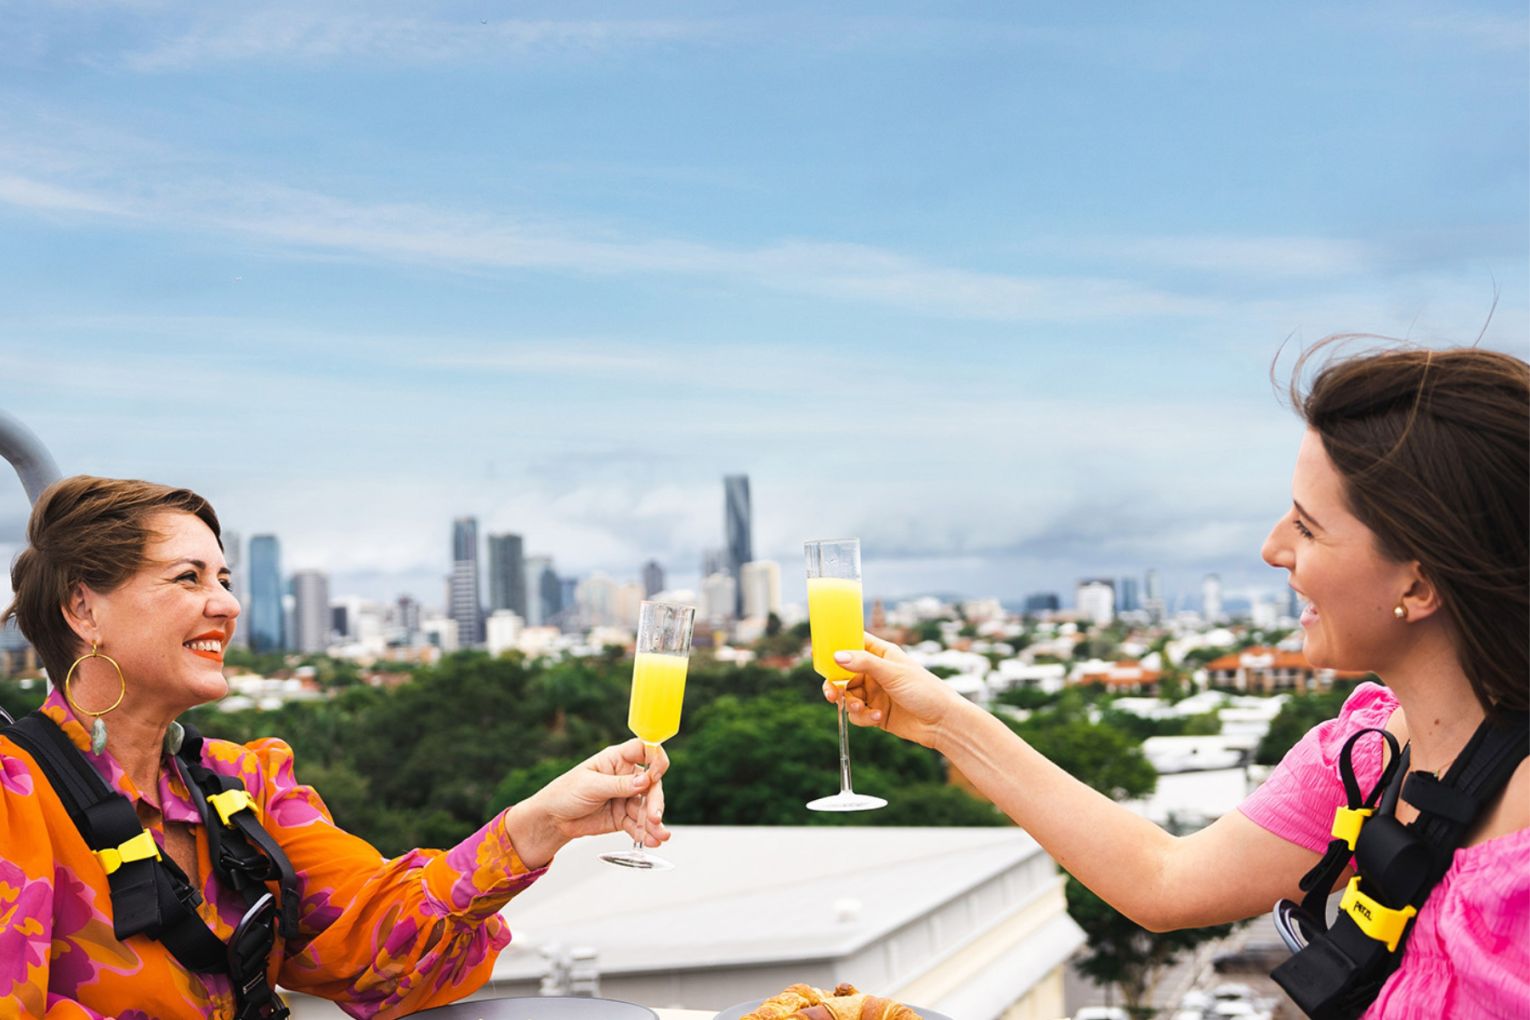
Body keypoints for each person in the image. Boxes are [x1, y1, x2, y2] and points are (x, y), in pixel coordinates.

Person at [826, 343, 1529, 1018]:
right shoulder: (1366, 758)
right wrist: (944, 720)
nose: (1273, 548)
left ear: (1420, 579)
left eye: (1308, 528)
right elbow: (1163, 880)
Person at [0, 475, 670, 1019]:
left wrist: (542, 824)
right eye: (189, 578)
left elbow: (379, 955)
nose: (227, 605)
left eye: (225, 579)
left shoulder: (239, 786)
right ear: (83, 609)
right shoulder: (15, 796)